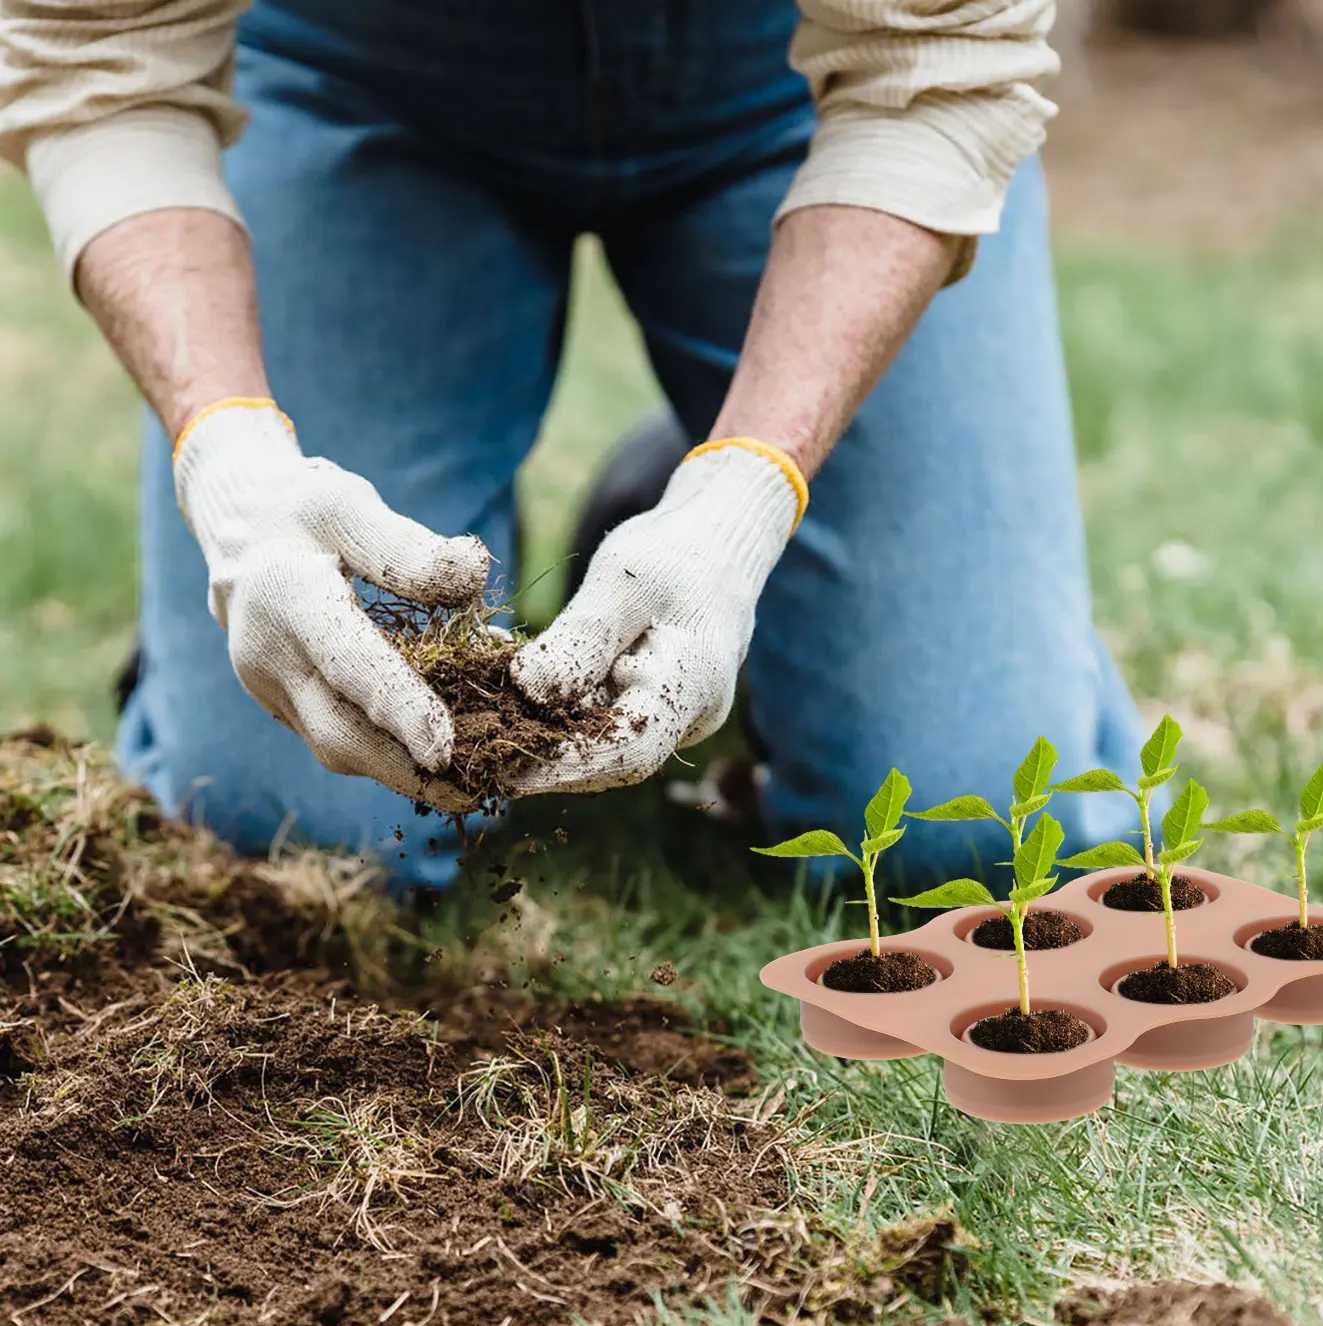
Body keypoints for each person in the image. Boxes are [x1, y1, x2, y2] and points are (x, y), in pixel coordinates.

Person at [0, 0, 1147, 891]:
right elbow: (102, 59)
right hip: (361, 73)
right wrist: (233, 468)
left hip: (797, 81)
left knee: (965, 825)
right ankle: (260, 588)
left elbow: (930, 76)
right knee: (300, 829)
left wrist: (744, 498)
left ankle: (691, 486)